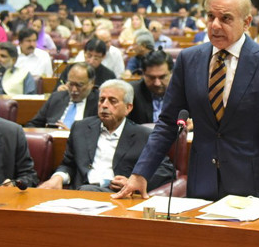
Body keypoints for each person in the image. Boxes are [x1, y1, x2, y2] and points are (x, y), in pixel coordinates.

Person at [113, 0, 259, 216]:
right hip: (202, 182)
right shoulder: (189, 59)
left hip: (253, 185)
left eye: (225, 18)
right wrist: (140, 174)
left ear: (246, 23)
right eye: (210, 17)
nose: (215, 25)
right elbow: (167, 123)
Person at [37, 79, 174, 192]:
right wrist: (58, 178)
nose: (104, 105)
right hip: (80, 193)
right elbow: (68, 164)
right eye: (101, 100)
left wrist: (134, 181)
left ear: (128, 108)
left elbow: (166, 170)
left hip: (117, 195)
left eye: (112, 101)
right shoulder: (80, 128)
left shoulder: (143, 135)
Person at [25, 62, 98, 129]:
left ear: (91, 83)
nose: (74, 90)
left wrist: (71, 134)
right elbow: (33, 124)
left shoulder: (99, 102)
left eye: (79, 85)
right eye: (70, 84)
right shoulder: (56, 98)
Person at [128, 50, 173, 124]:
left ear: (171, 73)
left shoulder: (183, 92)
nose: (157, 83)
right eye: (151, 78)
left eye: (162, 77)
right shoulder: (131, 92)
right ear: (143, 74)